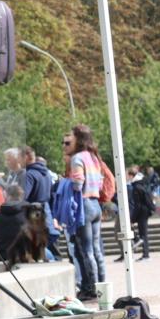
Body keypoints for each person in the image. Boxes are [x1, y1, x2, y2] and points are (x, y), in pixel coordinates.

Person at [64, 125, 106, 300]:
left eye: (70, 138)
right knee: (96, 249)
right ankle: (103, 286)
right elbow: (101, 182)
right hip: (96, 204)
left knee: (85, 250)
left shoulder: (78, 158)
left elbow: (78, 182)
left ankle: (91, 289)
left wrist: (68, 185)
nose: (68, 142)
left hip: (84, 204)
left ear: (78, 139)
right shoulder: (94, 157)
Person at [22, 146, 57, 259]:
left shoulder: (29, 174)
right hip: (45, 210)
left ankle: (51, 259)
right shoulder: (46, 173)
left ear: (26, 157)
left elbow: (24, 195)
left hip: (33, 211)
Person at [129, 166, 155, 260]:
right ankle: (145, 254)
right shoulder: (142, 182)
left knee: (143, 234)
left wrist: (133, 218)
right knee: (143, 233)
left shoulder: (136, 186)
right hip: (146, 211)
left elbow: (138, 204)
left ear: (132, 175)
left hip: (142, 212)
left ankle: (146, 255)